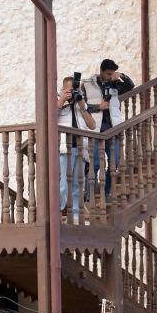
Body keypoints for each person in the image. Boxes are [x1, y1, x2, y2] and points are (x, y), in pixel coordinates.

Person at [83, 58, 134, 198]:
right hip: (95, 130)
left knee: (115, 162)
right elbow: (80, 107)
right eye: (108, 74)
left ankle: (105, 192)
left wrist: (121, 76)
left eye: (113, 74)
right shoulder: (87, 85)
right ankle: (89, 195)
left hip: (113, 130)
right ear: (101, 71)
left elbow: (130, 86)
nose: (111, 77)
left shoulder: (115, 84)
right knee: (95, 165)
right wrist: (97, 107)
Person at [57, 75, 96, 222]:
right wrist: (62, 100)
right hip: (64, 149)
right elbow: (49, 120)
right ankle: (59, 212)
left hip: (81, 149)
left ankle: (74, 214)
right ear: (63, 89)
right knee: (62, 184)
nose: (73, 92)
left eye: (76, 90)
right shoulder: (58, 104)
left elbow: (92, 125)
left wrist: (82, 105)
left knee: (77, 184)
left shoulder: (82, 107)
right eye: (70, 90)